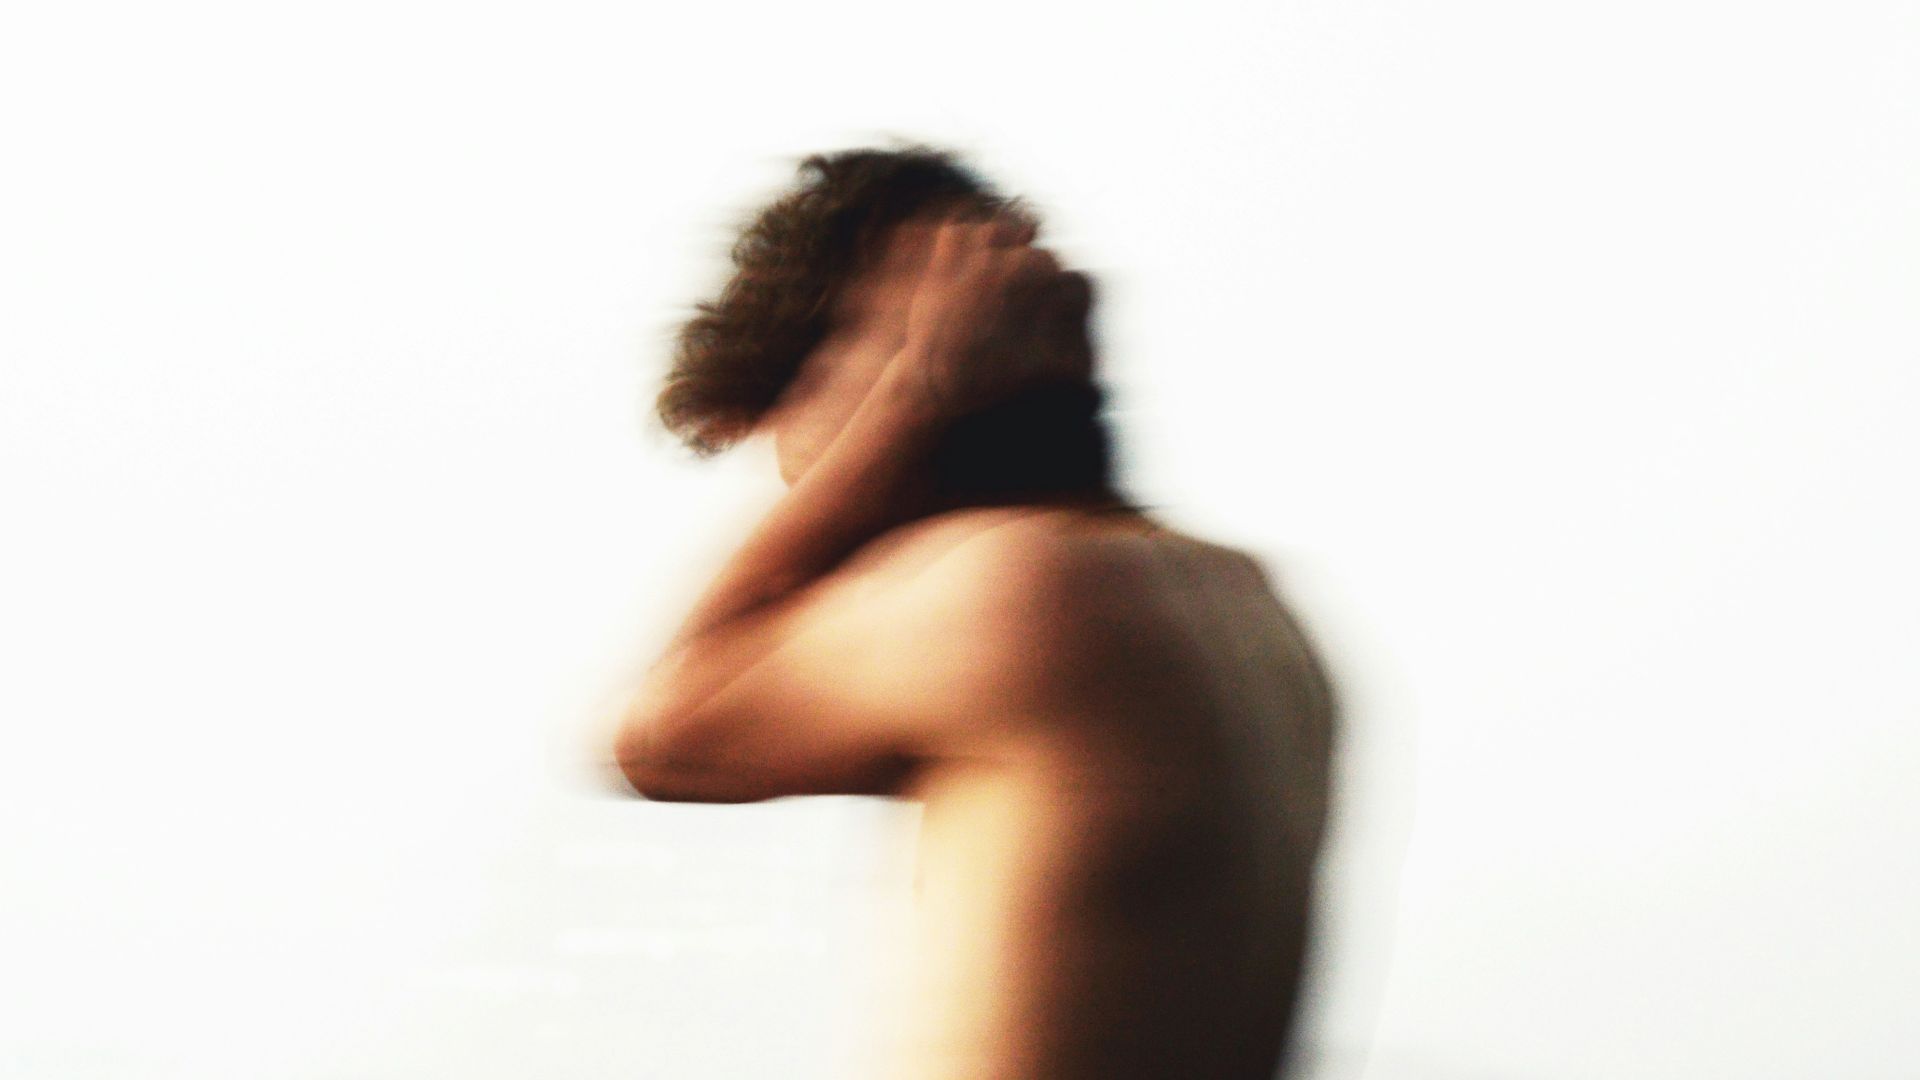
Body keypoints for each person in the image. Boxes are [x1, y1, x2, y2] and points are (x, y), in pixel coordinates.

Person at [612, 146, 1336, 1080]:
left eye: (820, 474)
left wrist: (904, 404)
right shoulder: (1240, 602)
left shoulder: (1025, 588)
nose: (828, 531)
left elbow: (659, 737)